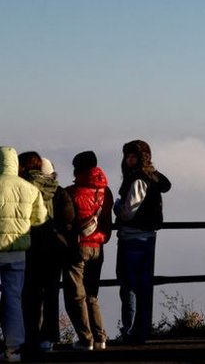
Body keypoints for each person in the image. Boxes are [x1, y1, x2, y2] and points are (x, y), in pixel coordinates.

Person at [114, 139, 171, 345]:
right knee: (144, 284)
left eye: (133, 156)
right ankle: (143, 330)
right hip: (149, 237)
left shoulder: (138, 179)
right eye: (128, 156)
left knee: (129, 284)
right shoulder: (151, 177)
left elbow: (129, 212)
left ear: (141, 159)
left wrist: (117, 207)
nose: (129, 160)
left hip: (132, 237)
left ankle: (130, 331)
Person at [0, 147, 48, 362]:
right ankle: (13, 348)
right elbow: (40, 219)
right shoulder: (28, 188)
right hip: (18, 251)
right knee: (13, 298)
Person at [18, 153, 70, 354]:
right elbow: (69, 217)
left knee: (28, 294)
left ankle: (28, 336)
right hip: (53, 250)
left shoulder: (26, 188)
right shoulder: (59, 191)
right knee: (50, 294)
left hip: (29, 247)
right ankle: (47, 339)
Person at [62, 151, 113, 351]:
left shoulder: (72, 192)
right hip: (98, 246)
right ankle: (100, 338)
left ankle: (85, 339)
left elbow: (66, 220)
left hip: (78, 246)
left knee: (76, 295)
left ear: (78, 169)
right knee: (92, 294)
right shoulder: (105, 191)